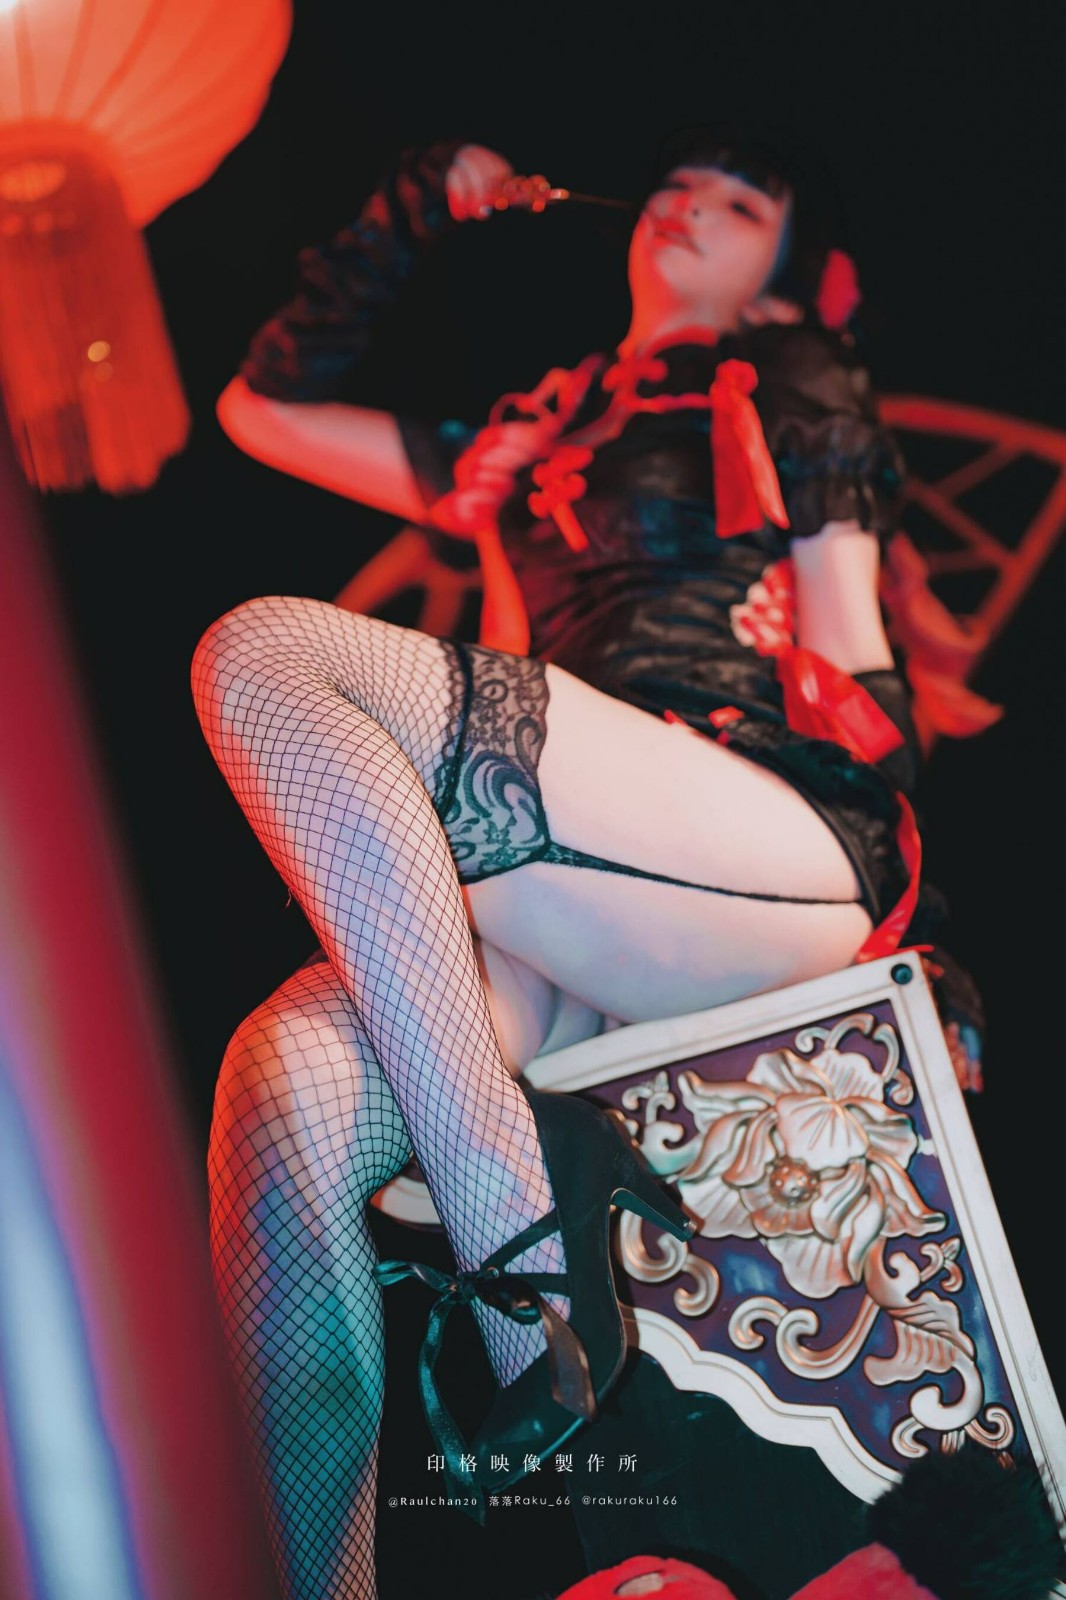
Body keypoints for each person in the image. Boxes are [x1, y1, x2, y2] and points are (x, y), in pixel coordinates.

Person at [195, 130, 920, 1600]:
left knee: (263, 654)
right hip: (563, 885)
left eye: (740, 204)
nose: (687, 204)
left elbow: (854, 653)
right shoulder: (531, 434)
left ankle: (511, 1253)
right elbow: (261, 407)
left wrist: (922, 947)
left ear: (782, 286)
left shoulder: (788, 377)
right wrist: (416, 207)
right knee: (283, 1099)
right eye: (680, 183)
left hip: (747, 835)